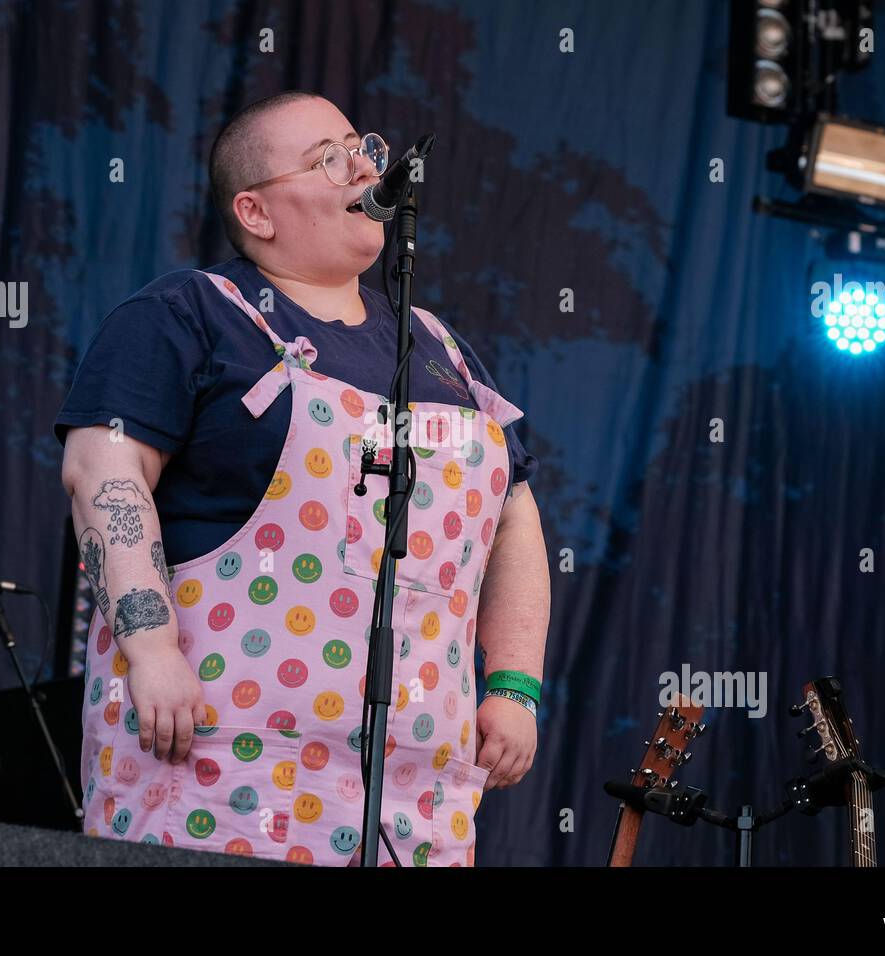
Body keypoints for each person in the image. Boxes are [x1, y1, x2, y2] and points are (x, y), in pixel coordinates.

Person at [54, 90, 549, 867]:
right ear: (256, 212)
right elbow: (102, 470)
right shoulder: (189, 315)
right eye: (328, 158)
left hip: (416, 798)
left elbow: (515, 514)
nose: (361, 166)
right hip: (222, 776)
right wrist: (150, 650)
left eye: (362, 147)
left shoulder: (439, 347)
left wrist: (515, 686)